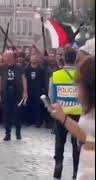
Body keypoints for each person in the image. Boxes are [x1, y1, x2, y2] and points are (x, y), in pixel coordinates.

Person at [50, 56, 95, 180]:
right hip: (85, 171)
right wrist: (63, 117)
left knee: (60, 144)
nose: (75, 89)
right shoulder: (89, 108)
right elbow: (86, 136)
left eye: (78, 84)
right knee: (71, 144)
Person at [49, 48, 82, 179]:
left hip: (61, 115)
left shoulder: (56, 75)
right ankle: (75, 173)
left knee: (59, 143)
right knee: (77, 145)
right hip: (78, 115)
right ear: (75, 59)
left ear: (64, 58)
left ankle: (58, 171)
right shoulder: (81, 76)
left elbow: (52, 97)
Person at [0, 50, 28, 141]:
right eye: (5, 56)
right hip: (5, 92)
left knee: (17, 113)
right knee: (6, 113)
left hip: (17, 92)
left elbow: (24, 79)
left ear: (12, 57)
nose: (5, 58)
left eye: (7, 56)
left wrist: (25, 92)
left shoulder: (19, 67)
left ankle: (18, 132)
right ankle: (7, 134)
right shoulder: (1, 68)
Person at [24, 53, 46, 127]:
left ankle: (38, 121)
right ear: (30, 59)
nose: (33, 59)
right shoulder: (26, 69)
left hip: (38, 90)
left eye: (35, 57)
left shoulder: (41, 69)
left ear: (37, 59)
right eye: (32, 57)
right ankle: (28, 120)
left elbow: (43, 80)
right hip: (29, 90)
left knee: (38, 106)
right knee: (28, 105)